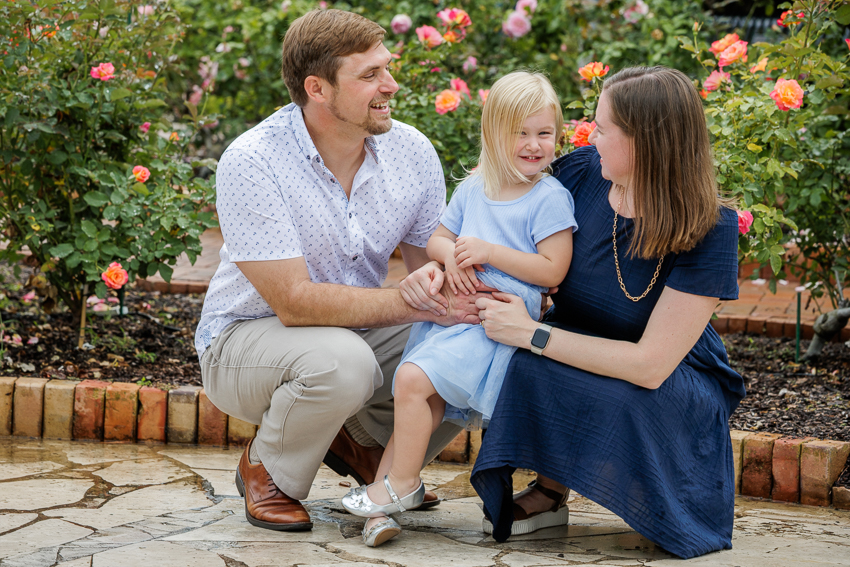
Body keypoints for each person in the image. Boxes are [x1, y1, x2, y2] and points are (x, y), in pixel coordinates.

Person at [194, 9, 480, 533]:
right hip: (245, 340)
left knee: (472, 341)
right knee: (342, 363)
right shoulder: (254, 160)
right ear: (317, 88)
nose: (390, 86)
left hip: (352, 332)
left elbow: (429, 267)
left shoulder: (411, 151)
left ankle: (377, 457)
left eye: (386, 70)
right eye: (369, 76)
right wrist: (409, 301)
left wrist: (464, 293)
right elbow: (294, 302)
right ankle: (268, 470)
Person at [469, 66, 745, 559]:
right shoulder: (578, 176)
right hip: (581, 337)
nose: (589, 136)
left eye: (602, 128)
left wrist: (532, 332)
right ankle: (551, 493)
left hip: (672, 377)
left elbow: (650, 365)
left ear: (644, 140)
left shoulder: (711, 227)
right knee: (521, 365)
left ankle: (673, 507)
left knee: (615, 390)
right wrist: (450, 258)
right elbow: (495, 199)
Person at [340, 71, 577, 547]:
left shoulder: (548, 197)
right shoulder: (475, 188)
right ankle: (383, 501)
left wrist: (488, 251)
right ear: (493, 135)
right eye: (521, 133)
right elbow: (437, 238)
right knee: (419, 400)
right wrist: (449, 255)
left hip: (495, 321)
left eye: (544, 133)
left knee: (410, 382)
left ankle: (401, 487)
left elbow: (553, 270)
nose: (534, 145)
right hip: (456, 317)